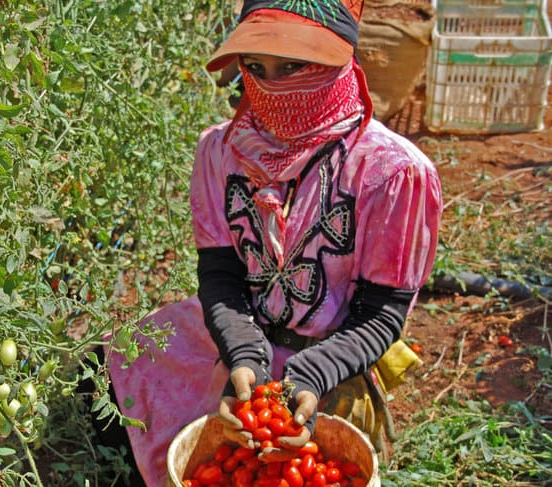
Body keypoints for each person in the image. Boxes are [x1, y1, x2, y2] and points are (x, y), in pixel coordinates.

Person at [103, 0, 442, 484]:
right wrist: (243, 354)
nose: (271, 84)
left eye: (294, 67)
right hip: (243, 331)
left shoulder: (391, 172)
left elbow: (380, 314)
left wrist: (310, 376)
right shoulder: (221, 151)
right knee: (119, 363)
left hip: (331, 356)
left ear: (341, 60)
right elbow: (222, 276)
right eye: (256, 67)